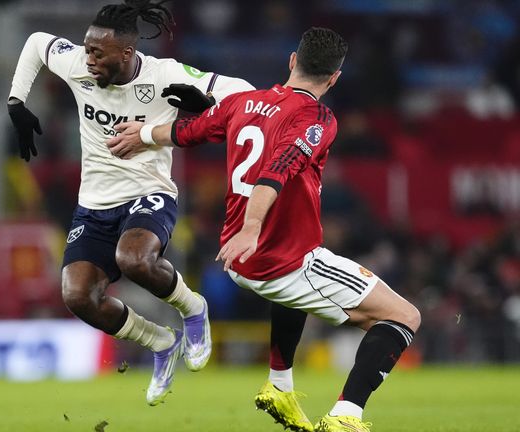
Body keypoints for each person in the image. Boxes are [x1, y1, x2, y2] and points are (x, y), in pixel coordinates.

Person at [106, 27, 421, 431]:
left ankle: (279, 385)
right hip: (280, 258)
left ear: (293, 60)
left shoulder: (244, 101)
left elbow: (191, 130)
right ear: (334, 78)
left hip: (242, 258)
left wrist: (144, 135)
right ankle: (346, 416)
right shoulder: (317, 118)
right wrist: (253, 227)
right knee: (403, 316)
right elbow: (277, 170)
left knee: (297, 296)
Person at [7, 0, 253, 405]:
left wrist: (202, 105)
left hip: (149, 193)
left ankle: (193, 308)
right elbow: (36, 43)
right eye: (86, 50)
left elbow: (243, 93)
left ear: (126, 53)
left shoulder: (165, 75)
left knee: (134, 259)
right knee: (78, 296)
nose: (88, 60)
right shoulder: (79, 65)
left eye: (97, 53)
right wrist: (16, 102)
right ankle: (160, 342)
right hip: (94, 204)